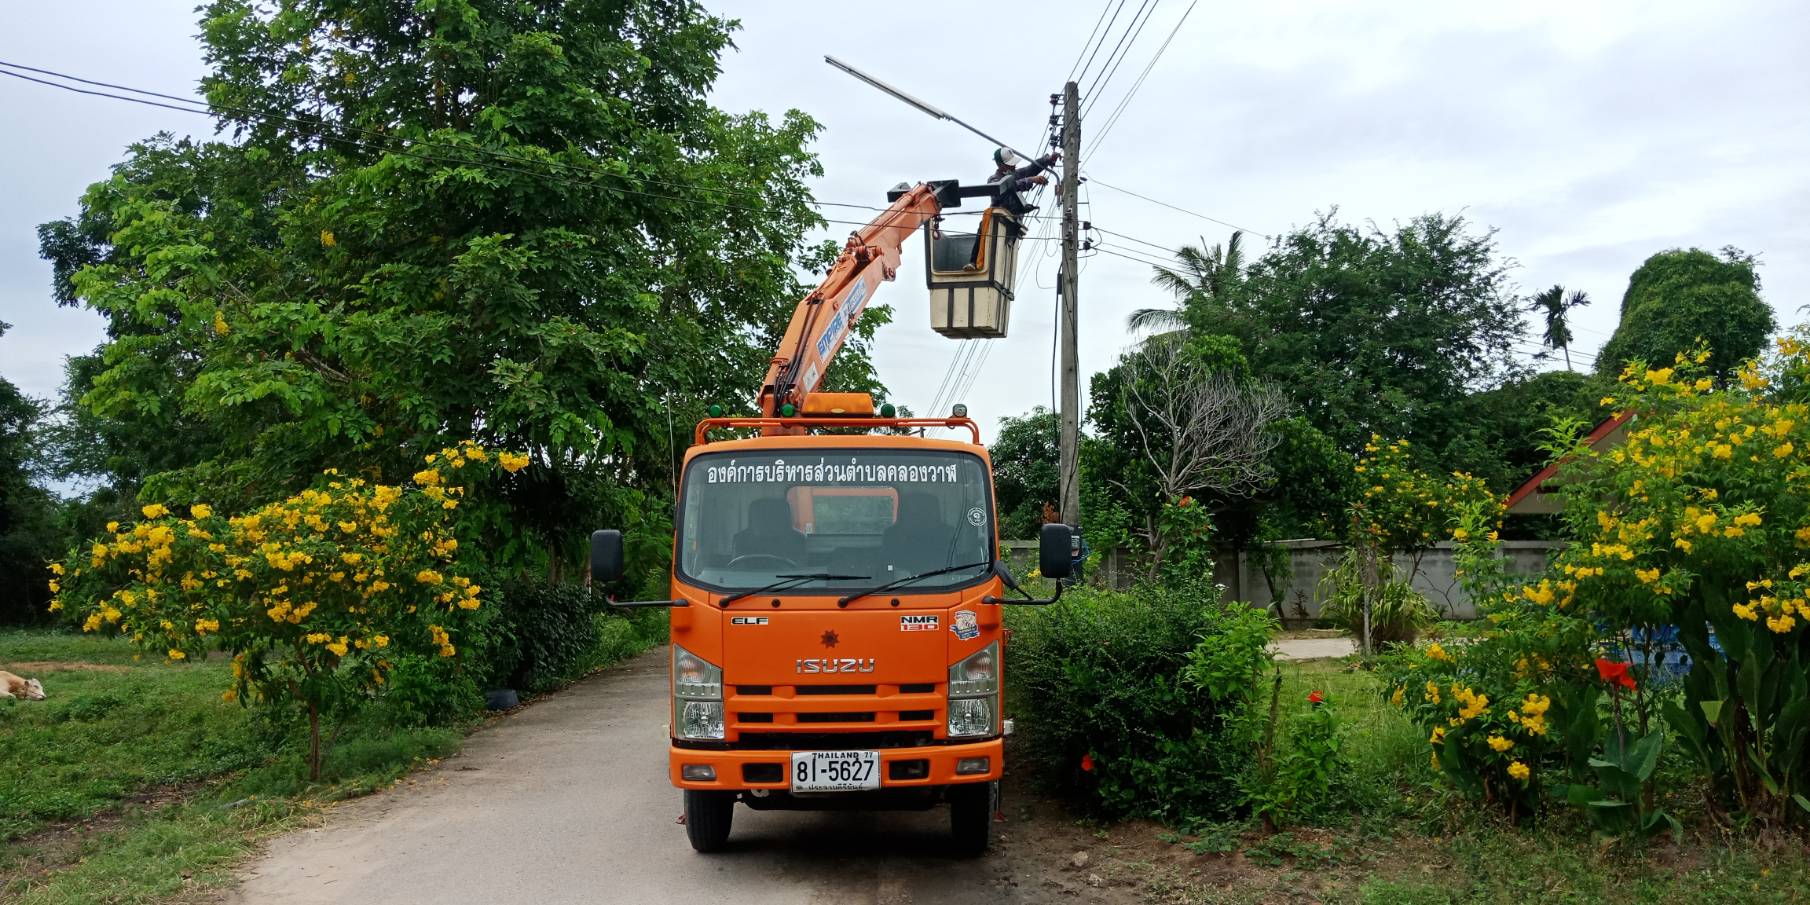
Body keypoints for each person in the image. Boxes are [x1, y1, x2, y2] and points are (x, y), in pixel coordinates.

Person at [988, 147, 1059, 215]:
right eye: (1010, 164)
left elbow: (1030, 169)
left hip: (1013, 222)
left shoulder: (1013, 175)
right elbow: (1008, 188)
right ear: (1000, 164)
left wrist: (1047, 159)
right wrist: (1030, 180)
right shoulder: (994, 180)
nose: (1014, 166)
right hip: (999, 221)